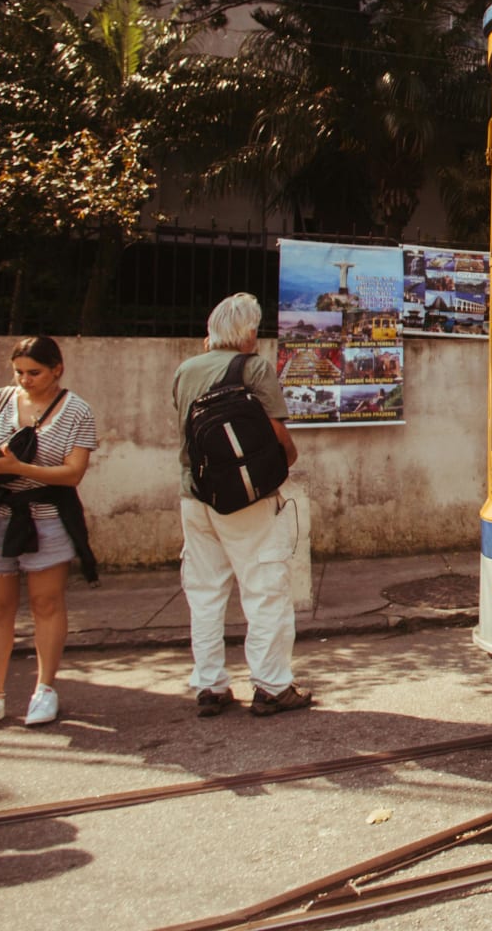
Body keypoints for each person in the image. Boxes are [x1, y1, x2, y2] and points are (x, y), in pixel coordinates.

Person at [0, 337, 99, 734]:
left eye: (35, 373)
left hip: (45, 514)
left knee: (47, 602)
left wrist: (18, 468)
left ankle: (45, 688)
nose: (26, 380)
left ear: (56, 370)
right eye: (20, 372)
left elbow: (72, 473)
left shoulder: (77, 410)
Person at [172, 293, 309, 717]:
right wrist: (283, 465)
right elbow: (279, 440)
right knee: (265, 590)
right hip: (249, 500)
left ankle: (210, 685)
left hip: (195, 497)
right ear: (248, 332)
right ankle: (271, 686)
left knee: (206, 593)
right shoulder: (255, 368)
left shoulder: (185, 370)